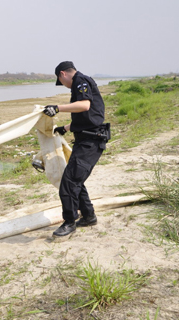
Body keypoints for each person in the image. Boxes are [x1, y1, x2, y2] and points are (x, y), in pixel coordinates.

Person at [43, 61, 108, 237]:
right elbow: (88, 116)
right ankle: (88, 216)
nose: (63, 85)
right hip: (87, 140)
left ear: (63, 74)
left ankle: (69, 222)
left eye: (61, 81)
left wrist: (57, 108)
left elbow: (85, 105)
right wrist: (65, 128)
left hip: (90, 142)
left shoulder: (80, 81)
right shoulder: (81, 82)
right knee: (76, 180)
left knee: (69, 183)